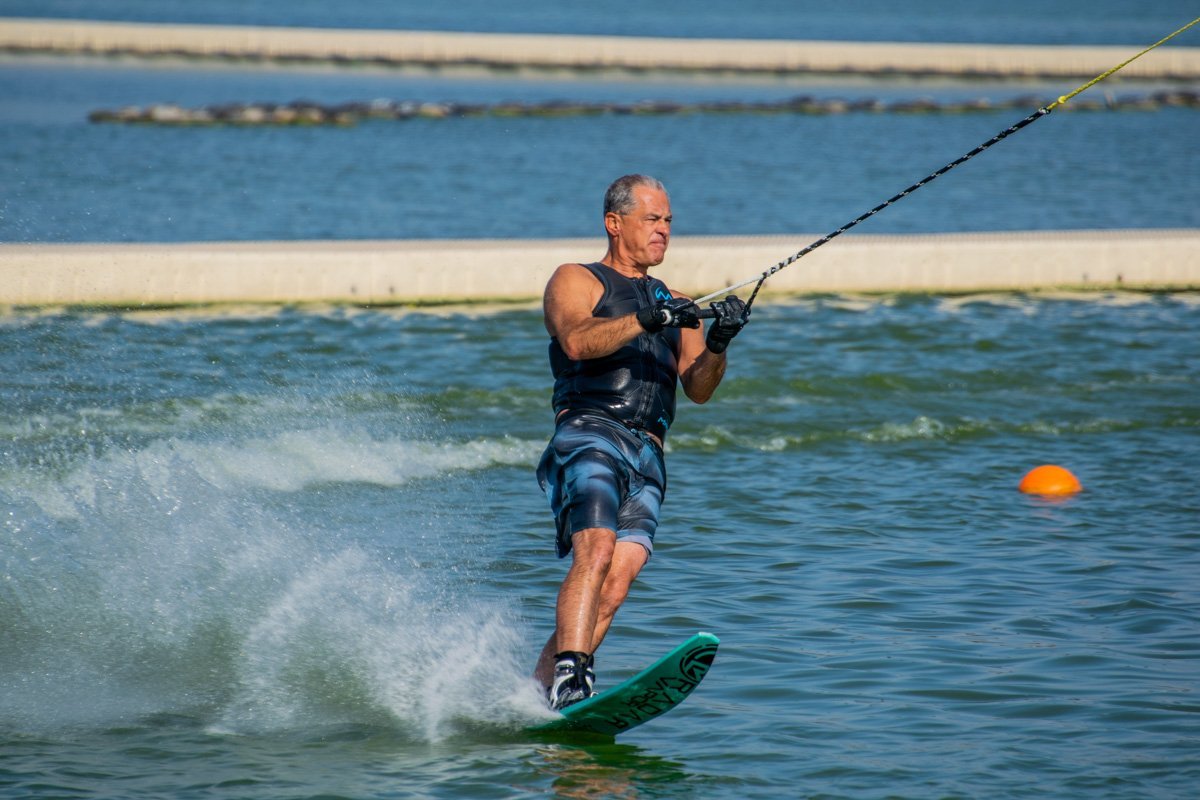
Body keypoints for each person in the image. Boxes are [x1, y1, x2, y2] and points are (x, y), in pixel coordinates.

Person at [533, 174, 751, 710]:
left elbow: (699, 387)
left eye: (668, 220)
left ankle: (541, 692)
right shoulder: (578, 279)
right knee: (597, 549)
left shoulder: (679, 301)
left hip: (649, 451)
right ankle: (574, 676)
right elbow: (579, 341)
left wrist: (719, 341)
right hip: (590, 431)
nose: (663, 230)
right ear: (614, 223)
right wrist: (647, 318)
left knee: (618, 579)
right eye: (651, 219)